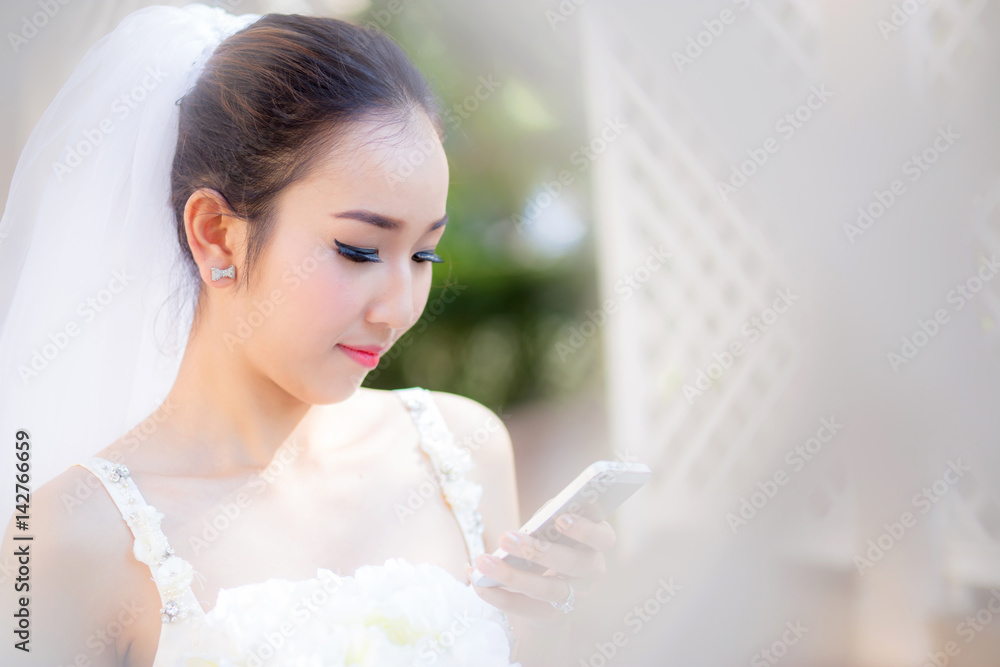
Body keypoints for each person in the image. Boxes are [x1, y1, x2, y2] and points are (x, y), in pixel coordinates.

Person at [0, 5, 616, 666]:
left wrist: (554, 626)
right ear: (216, 234)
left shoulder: (463, 451)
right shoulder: (71, 540)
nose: (398, 309)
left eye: (424, 255)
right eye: (358, 250)